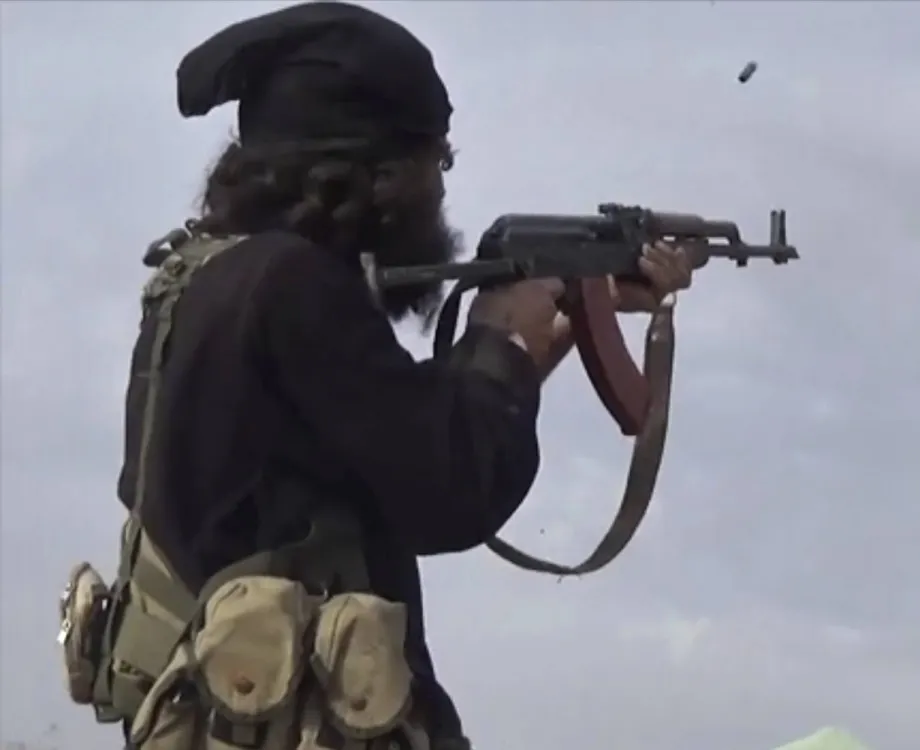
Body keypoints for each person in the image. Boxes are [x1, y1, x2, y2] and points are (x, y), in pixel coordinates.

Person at [54, 2, 693, 749]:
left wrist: (537, 341)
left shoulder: (205, 278)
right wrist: (501, 344)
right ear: (377, 174)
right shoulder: (294, 287)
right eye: (436, 162)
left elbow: (382, 439)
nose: (440, 189)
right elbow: (448, 490)